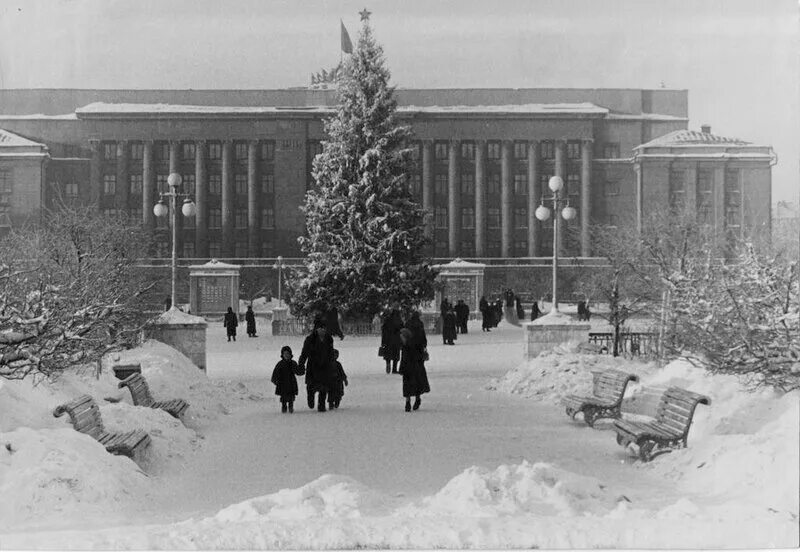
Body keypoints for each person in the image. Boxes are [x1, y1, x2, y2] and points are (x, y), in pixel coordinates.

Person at [298, 317, 337, 412]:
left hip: (325, 366)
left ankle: (321, 405)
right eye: (320, 328)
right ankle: (310, 397)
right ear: (316, 329)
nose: (323, 330)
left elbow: (331, 352)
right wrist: (301, 364)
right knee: (311, 386)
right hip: (313, 366)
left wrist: (332, 364)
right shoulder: (310, 339)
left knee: (324, 387)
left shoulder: (329, 338)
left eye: (324, 328)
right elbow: (304, 353)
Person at [399, 327, 430, 412]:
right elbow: (403, 358)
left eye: (402, 337)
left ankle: (413, 401)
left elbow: (415, 357)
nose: (401, 339)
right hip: (410, 369)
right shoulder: (405, 346)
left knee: (413, 386)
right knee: (411, 386)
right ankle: (409, 402)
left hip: (414, 368)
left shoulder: (412, 345)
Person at [271, 345, 302, 413]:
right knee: (283, 397)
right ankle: (284, 407)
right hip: (282, 383)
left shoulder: (293, 363)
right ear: (282, 355)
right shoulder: (280, 364)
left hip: (291, 382)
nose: (286, 355)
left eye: (288, 354)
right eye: (285, 354)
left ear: (290, 354)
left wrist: (301, 369)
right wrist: (275, 380)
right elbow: (275, 373)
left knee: (291, 397)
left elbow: (297, 371)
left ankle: (291, 407)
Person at [381, 308, 404, 374]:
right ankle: (394, 369)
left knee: (388, 354)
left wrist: (383, 342)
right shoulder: (399, 321)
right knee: (396, 355)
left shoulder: (387, 320)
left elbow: (384, 330)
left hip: (388, 340)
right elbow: (402, 330)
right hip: (396, 340)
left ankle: (388, 363)